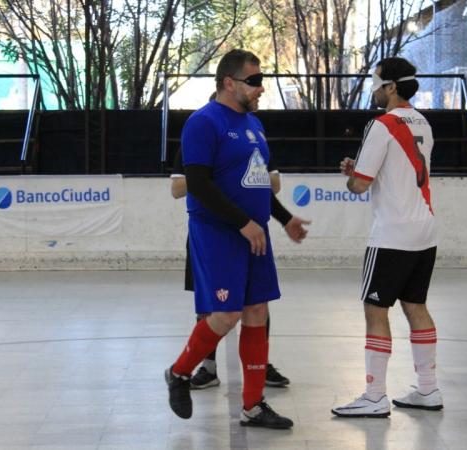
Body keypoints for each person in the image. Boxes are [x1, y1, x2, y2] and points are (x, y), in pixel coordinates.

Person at [164, 49, 310, 429]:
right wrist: (243, 222)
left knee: (257, 312)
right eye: (254, 81)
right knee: (226, 314)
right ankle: (179, 372)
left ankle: (253, 405)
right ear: (229, 83)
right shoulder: (203, 122)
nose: (261, 88)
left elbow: (258, 183)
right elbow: (196, 182)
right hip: (218, 232)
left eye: (262, 80)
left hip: (253, 232)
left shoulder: (254, 126)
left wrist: (284, 218)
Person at [331, 57, 442, 418]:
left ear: (392, 86)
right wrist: (364, 167)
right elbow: (399, 171)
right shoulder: (423, 122)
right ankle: (428, 389)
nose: (374, 91)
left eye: (377, 84)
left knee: (375, 309)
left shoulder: (382, 125)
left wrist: (353, 174)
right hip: (424, 229)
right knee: (415, 306)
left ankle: (375, 395)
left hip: (393, 233)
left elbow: (360, 184)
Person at [170, 147, 291, 389]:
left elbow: (275, 183)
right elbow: (177, 188)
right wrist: (213, 180)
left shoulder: (252, 138)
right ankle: (208, 367)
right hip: (211, 234)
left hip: (250, 233)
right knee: (210, 305)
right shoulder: (199, 136)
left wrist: (235, 175)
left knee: (257, 303)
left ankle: (261, 366)